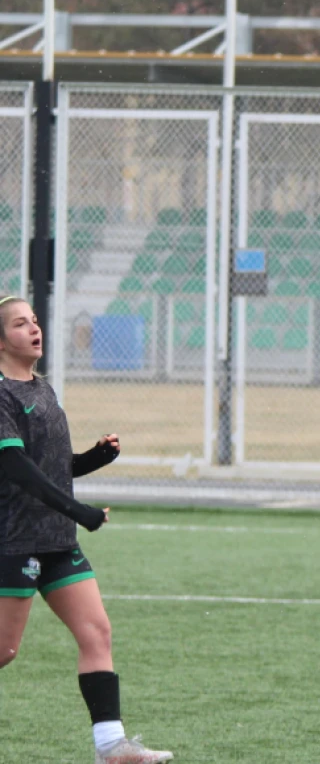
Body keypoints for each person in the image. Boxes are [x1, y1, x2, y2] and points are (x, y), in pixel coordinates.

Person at [0, 296, 173, 764]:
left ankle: (111, 748)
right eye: (20, 324)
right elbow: (18, 470)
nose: (33, 328)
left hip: (57, 540)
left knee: (97, 631)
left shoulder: (43, 390)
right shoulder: (1, 395)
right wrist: (80, 511)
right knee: (5, 650)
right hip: (15, 540)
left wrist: (93, 459)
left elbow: (52, 468)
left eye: (34, 320)